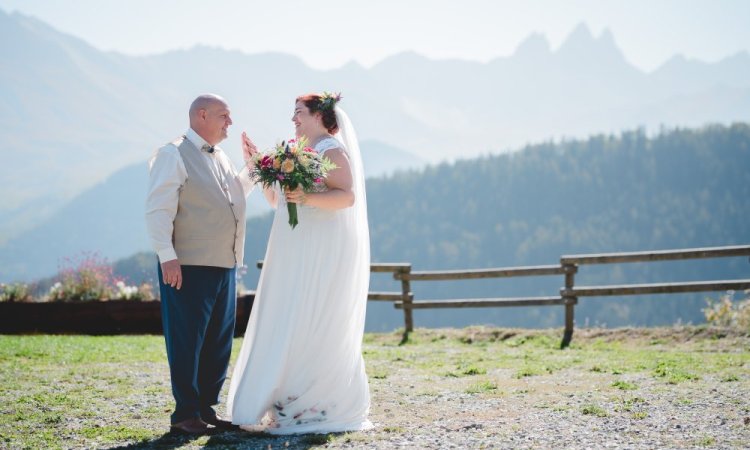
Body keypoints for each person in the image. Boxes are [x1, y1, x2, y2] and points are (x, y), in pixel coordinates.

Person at [227, 93, 373, 434]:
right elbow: (278, 200)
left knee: (312, 313)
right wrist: (255, 166)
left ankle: (316, 402)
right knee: (289, 313)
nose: (293, 119)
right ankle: (285, 397)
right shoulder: (298, 153)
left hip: (319, 248)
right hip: (293, 246)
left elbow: (347, 196)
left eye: (299, 113)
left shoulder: (331, 150)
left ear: (319, 116)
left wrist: (307, 197)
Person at [145, 94, 257, 434]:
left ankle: (206, 408)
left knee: (217, 341)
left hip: (224, 264)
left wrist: (252, 169)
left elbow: (232, 197)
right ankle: (185, 415)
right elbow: (157, 209)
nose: (230, 123)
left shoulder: (221, 156)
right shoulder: (172, 153)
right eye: (224, 115)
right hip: (188, 265)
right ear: (202, 115)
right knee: (187, 340)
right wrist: (167, 256)